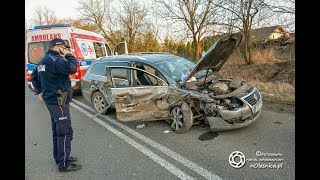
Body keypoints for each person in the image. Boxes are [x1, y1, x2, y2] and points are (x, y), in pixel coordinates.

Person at [31, 38, 82, 172]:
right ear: (57, 47)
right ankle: (63, 164)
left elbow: (33, 77)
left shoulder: (43, 60)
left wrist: (39, 91)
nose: (65, 50)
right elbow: (72, 68)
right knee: (64, 131)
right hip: (58, 101)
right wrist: (69, 55)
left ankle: (61, 157)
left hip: (53, 100)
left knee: (58, 131)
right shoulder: (55, 59)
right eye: (64, 48)